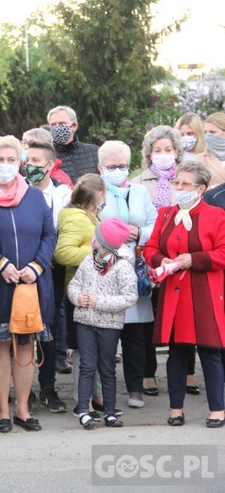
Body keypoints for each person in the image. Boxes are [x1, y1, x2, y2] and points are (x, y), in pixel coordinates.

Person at [0, 135, 56, 433]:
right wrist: (0, 264)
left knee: (25, 346)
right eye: (0, 160)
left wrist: (36, 266)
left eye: (12, 160)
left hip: (31, 284)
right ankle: (2, 411)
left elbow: (49, 234)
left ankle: (23, 408)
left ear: (20, 164)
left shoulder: (35, 196)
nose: (6, 165)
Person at [144, 161, 225, 428]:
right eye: (176, 183)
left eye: (185, 184)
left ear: (201, 188)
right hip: (173, 294)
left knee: (210, 351)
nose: (179, 188)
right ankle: (175, 409)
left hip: (204, 292)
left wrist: (194, 259)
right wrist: (162, 260)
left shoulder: (216, 216)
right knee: (176, 351)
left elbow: (222, 253)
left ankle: (217, 410)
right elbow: (150, 248)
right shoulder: (165, 214)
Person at [131, 126, 199, 398]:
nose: (163, 154)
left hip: (181, 259)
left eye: (168, 150)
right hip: (149, 256)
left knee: (183, 316)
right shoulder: (136, 183)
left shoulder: (186, 181)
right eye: (157, 150)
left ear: (177, 152)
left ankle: (188, 372)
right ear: (148, 153)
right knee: (149, 317)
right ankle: (149, 373)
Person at [97, 141, 157, 409]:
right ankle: (104, 392)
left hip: (135, 267)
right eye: (112, 166)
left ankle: (135, 389)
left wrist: (139, 233)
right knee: (106, 333)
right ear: (100, 167)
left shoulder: (140, 191)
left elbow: (155, 224)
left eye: (122, 165)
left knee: (135, 335)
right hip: (105, 268)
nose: (118, 170)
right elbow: (85, 221)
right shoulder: (93, 189)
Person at [68, 218, 138, 429]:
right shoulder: (88, 262)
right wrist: (77, 298)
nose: (92, 240)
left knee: (107, 368)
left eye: (95, 237)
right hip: (85, 322)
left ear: (102, 243)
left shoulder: (122, 267)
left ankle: (109, 411)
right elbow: (74, 285)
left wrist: (99, 302)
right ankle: (83, 410)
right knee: (87, 366)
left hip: (109, 325)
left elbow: (129, 297)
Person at [23, 140, 72, 412]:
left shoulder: (63, 195)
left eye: (37, 161)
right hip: (22, 270)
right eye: (28, 160)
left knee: (49, 330)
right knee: (21, 329)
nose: (30, 166)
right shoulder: (17, 192)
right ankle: (23, 388)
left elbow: (65, 232)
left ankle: (48, 387)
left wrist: (48, 259)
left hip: (52, 272)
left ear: (51, 166)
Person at [54, 173, 107, 419]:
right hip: (80, 292)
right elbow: (63, 254)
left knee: (93, 348)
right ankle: (82, 401)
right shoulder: (75, 217)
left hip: (93, 291)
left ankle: (96, 398)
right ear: (99, 195)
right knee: (82, 350)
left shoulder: (88, 215)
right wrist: (101, 249)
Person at [47, 105, 99, 183]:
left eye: (62, 123)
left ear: (74, 126)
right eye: (53, 125)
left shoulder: (94, 151)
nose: (57, 128)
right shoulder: (47, 155)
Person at [194, 113, 225, 188]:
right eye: (206, 132)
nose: (208, 136)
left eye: (212, 132)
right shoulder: (200, 159)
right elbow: (197, 188)